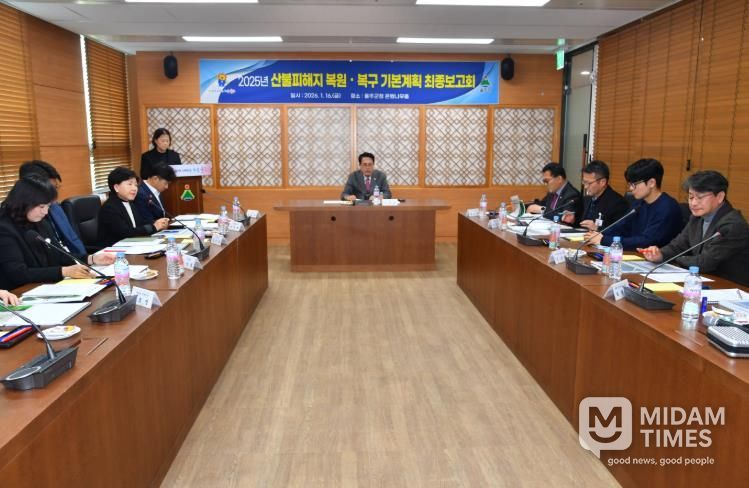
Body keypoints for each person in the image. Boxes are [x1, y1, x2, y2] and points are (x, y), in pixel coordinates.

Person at [639, 171, 749, 285]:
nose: (694, 203)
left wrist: (674, 258)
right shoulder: (697, 218)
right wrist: (660, 254)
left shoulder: (732, 225)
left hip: (730, 287)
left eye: (700, 197)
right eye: (691, 197)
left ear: (720, 197)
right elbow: (678, 245)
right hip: (703, 281)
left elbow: (705, 263)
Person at [0, 176, 94, 290]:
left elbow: (60, 255)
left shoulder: (40, 221)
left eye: (48, 206)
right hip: (18, 292)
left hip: (46, 286)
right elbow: (18, 273)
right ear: (24, 203)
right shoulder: (4, 228)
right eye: (41, 206)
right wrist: (63, 271)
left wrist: (91, 258)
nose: (45, 212)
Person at [584, 158, 683, 250]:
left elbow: (647, 241)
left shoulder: (667, 208)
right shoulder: (639, 203)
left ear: (651, 183)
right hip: (634, 255)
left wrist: (604, 240)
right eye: (630, 184)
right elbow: (621, 227)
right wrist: (599, 234)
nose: (631, 188)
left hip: (658, 260)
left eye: (634, 184)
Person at [19, 160, 87, 257]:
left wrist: (88, 259)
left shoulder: (56, 207)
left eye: (55, 188)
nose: (54, 194)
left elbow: (73, 240)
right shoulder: (20, 221)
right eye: (49, 189)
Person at [97, 167, 170, 247]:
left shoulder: (130, 203)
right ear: (116, 187)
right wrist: (154, 227)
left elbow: (140, 225)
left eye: (135, 185)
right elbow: (126, 233)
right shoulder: (110, 208)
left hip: (133, 245)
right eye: (130, 184)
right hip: (115, 250)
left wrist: (158, 224)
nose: (134, 188)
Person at [578, 160, 630, 231]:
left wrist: (597, 228)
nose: (585, 187)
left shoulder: (618, 204)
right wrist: (572, 219)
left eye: (589, 183)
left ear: (603, 182)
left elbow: (619, 231)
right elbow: (580, 224)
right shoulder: (587, 199)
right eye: (584, 182)